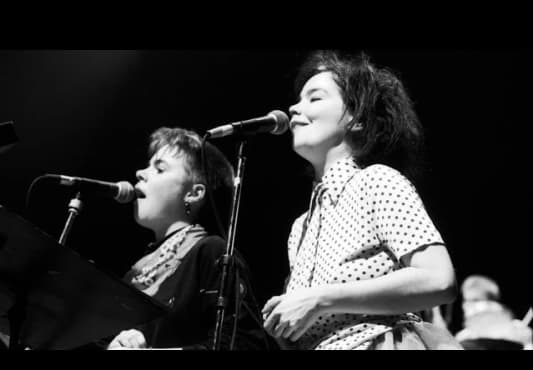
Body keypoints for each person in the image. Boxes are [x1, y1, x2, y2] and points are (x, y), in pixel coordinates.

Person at [262, 50, 462, 350]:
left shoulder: (376, 181)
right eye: (298, 99)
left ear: (356, 119)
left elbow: (438, 279)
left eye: (314, 98)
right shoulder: (300, 227)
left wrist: (320, 299)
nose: (293, 108)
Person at [107, 127, 267, 350]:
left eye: (159, 169)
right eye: (147, 166)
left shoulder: (212, 252)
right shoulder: (135, 271)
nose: (140, 173)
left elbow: (245, 342)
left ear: (194, 193)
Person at [455, 275, 532, 350]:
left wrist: (528, 343)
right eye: (465, 300)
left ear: (492, 302)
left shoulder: (518, 331)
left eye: (475, 300)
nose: (466, 305)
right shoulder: (463, 336)